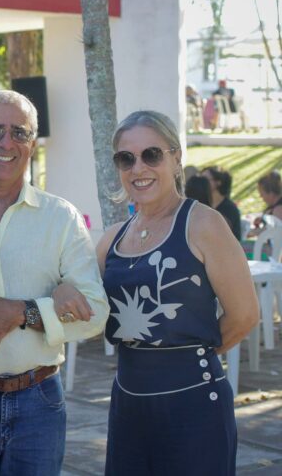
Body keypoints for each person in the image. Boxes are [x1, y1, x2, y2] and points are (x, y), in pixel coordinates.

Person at [0, 90, 108, 476]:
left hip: (39, 401)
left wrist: (23, 312)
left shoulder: (60, 217)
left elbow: (96, 313)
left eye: (19, 133)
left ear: (32, 144)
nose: (6, 143)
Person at [97, 110, 258, 475]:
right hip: (128, 405)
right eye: (126, 158)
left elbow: (245, 315)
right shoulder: (112, 239)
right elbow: (88, 308)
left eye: (151, 154)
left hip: (194, 404)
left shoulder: (203, 224)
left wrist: (185, 357)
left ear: (175, 157)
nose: (138, 168)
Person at [202, 166, 241, 241]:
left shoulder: (229, 208)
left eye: (205, 179)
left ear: (218, 182)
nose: (201, 183)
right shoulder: (204, 203)